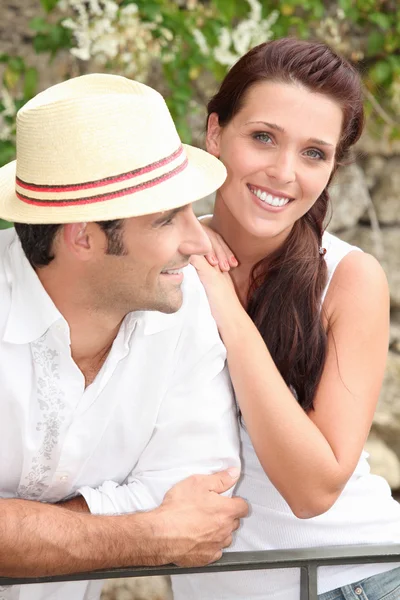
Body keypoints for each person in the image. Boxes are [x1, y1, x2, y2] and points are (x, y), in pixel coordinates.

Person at [0, 73, 248, 600]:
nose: (199, 239)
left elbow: (201, 495)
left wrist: (26, 532)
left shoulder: (183, 308)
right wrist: (148, 533)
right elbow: (171, 524)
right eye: (167, 220)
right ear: (82, 237)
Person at [171, 38, 400, 600]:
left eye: (314, 153)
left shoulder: (348, 278)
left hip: (355, 581)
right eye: (264, 137)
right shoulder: (157, 259)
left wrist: (223, 299)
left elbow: (313, 490)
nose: (282, 172)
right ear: (215, 133)